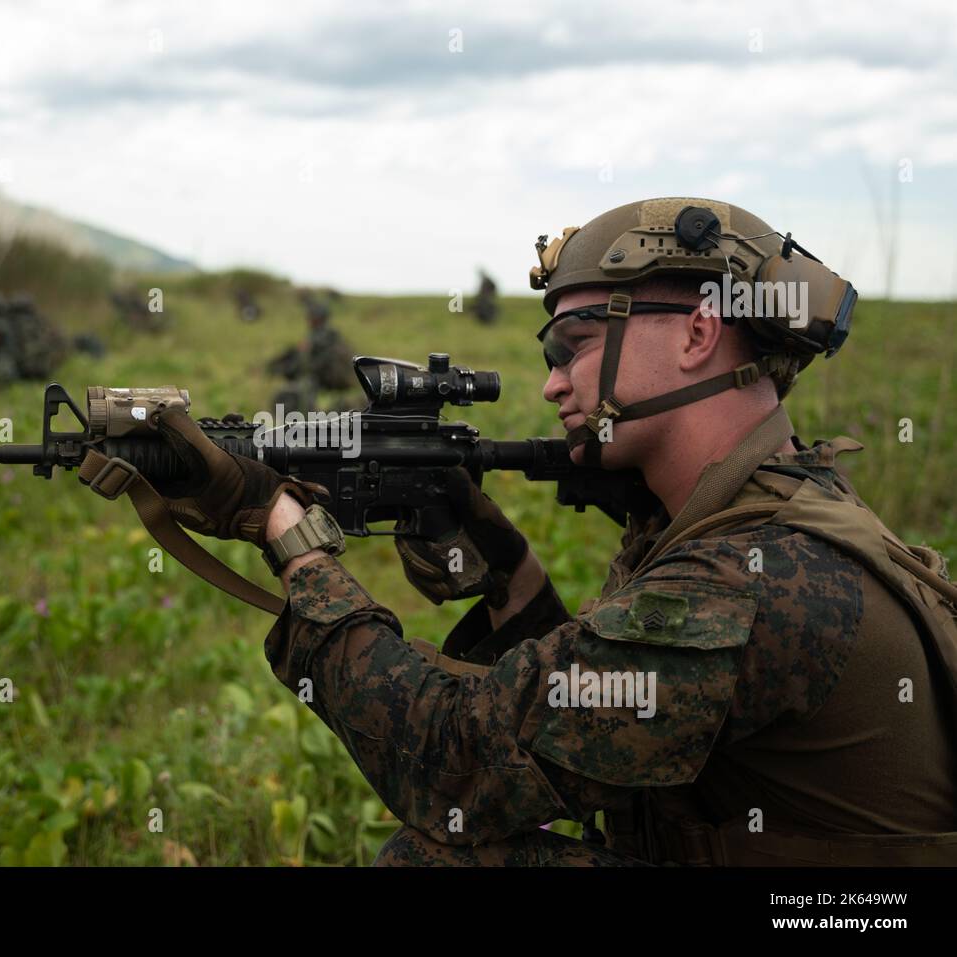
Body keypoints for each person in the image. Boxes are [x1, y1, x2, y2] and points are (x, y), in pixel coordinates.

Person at [124, 197, 957, 866]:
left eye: (576, 342)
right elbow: (591, 710)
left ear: (701, 332)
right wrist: (495, 559)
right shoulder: (772, 502)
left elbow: (456, 762)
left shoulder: (751, 575)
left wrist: (284, 528)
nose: (553, 380)